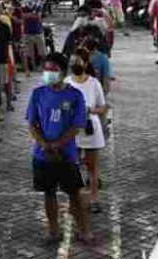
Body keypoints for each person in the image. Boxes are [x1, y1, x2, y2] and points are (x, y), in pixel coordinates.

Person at [27, 52, 91, 244]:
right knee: (49, 193)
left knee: (74, 194)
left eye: (53, 70)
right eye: (45, 70)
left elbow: (77, 126)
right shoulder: (38, 94)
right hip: (42, 155)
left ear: (63, 72)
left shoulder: (75, 96)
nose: (48, 73)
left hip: (66, 155)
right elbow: (32, 124)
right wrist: (44, 144)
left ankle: (84, 230)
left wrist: (58, 144)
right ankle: (53, 231)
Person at [66, 49, 108, 207]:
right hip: (72, 131)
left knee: (92, 166)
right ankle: (74, 199)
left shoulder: (94, 83)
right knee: (71, 166)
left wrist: (89, 110)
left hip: (91, 130)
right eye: (72, 61)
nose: (74, 64)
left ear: (85, 63)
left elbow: (103, 107)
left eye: (77, 61)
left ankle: (94, 198)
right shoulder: (67, 83)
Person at [22, 2, 45, 74]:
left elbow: (38, 16)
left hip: (38, 32)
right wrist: (32, 15)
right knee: (29, 53)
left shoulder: (38, 5)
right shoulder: (24, 6)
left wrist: (29, 15)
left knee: (42, 52)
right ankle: (34, 66)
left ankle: (41, 66)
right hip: (27, 32)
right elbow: (22, 16)